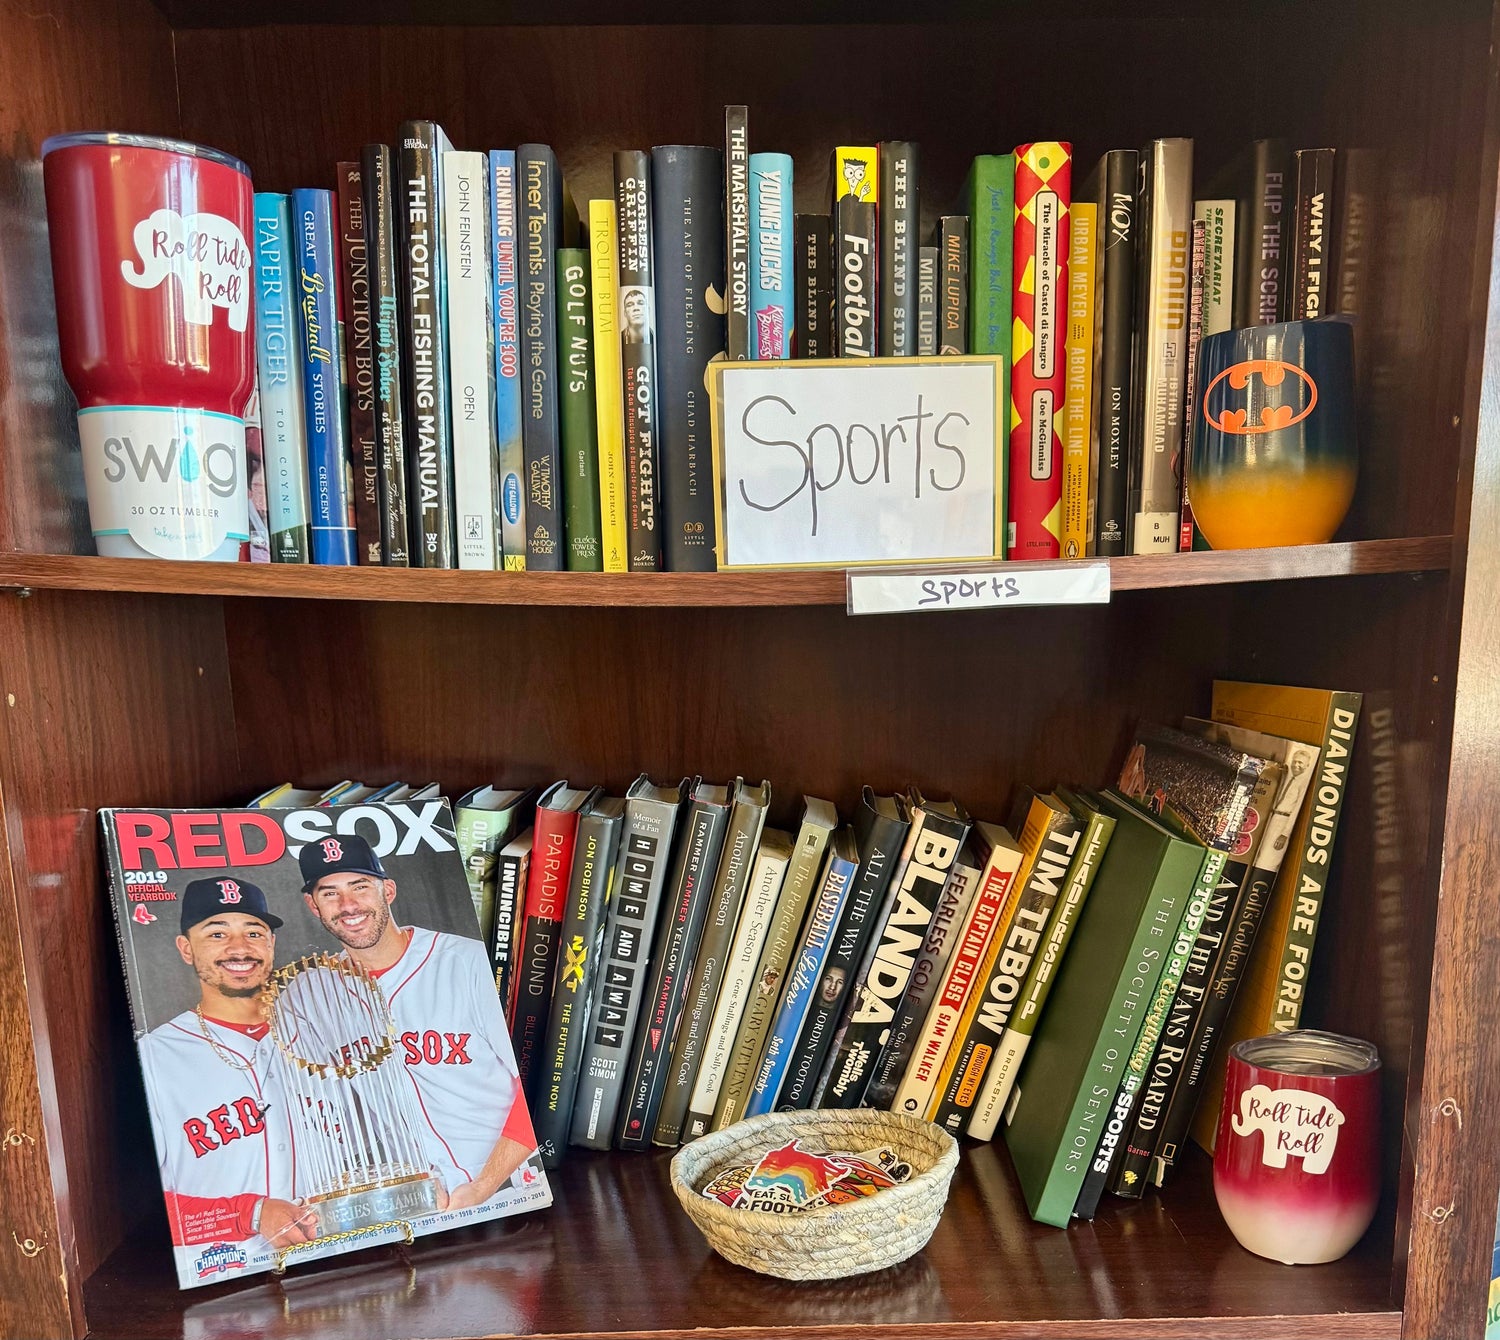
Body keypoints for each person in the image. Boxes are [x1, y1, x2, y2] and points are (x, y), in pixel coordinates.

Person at [298, 834, 538, 1210]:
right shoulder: (311, 995)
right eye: (330, 893)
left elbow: (536, 1085)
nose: (348, 905)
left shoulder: (471, 962)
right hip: (422, 1202)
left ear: (388, 890)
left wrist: (483, 1186)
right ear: (313, 906)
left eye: (360, 886)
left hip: (515, 1183)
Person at [137, 878, 317, 1274]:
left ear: (271, 944)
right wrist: (249, 1214)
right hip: (221, 1280)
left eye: (254, 932)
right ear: (186, 948)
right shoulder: (153, 1057)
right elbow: (129, 1214)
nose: (240, 948)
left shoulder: (317, 1038)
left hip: (336, 1267)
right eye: (217, 933)